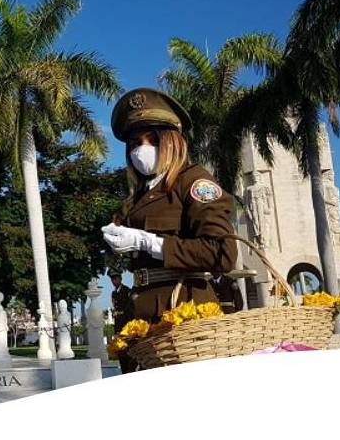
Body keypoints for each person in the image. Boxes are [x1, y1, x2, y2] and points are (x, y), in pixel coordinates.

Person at [102, 87, 238, 328]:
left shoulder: (194, 181)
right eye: (135, 143)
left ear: (172, 142)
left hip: (184, 311)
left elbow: (222, 253)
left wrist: (148, 242)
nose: (141, 149)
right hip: (141, 312)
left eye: (153, 140)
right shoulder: (139, 195)